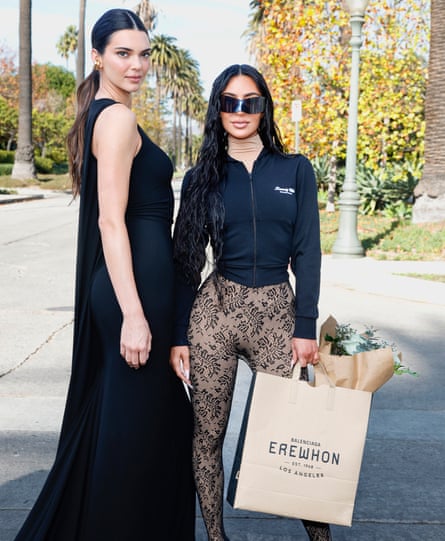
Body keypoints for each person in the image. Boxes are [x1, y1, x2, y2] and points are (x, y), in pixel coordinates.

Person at [14, 9, 195, 541]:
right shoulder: (115, 118)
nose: (137, 64)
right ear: (97, 57)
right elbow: (110, 221)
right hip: (131, 294)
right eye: (123, 53)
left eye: (143, 54)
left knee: (133, 425)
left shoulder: (107, 111)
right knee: (137, 436)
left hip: (139, 289)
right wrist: (135, 315)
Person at [170, 64, 331, 541]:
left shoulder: (296, 170)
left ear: (265, 108)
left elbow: (308, 251)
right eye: (230, 102)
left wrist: (306, 325)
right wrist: (180, 335)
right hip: (215, 314)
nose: (240, 112)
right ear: (217, 108)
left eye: (251, 102)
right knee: (208, 435)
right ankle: (216, 537)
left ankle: (321, 538)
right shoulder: (201, 177)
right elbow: (186, 262)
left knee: (297, 437)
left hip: (277, 315)